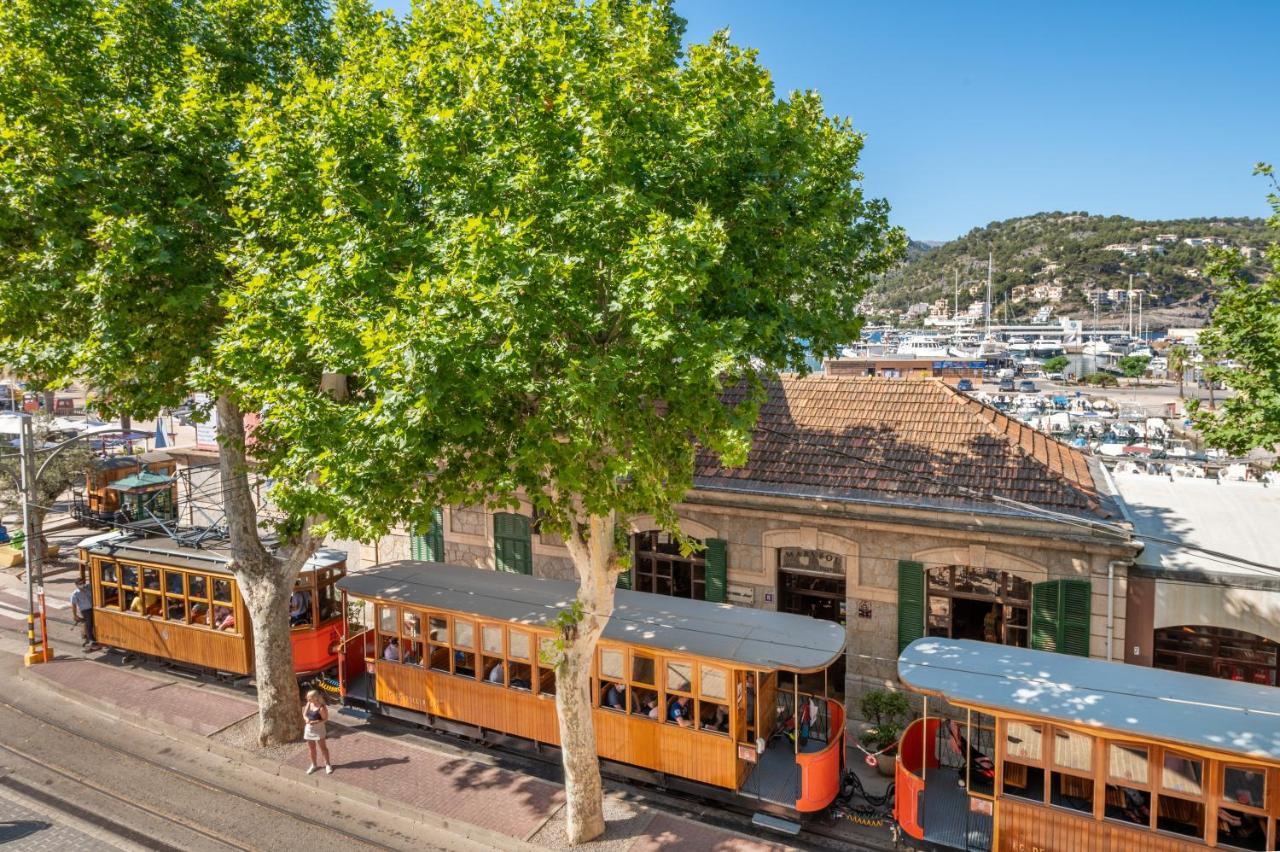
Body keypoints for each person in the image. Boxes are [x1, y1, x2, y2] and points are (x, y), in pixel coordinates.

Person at [302, 689, 333, 775]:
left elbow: (325, 719)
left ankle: (327, 765)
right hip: (309, 729)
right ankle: (314, 765)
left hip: (319, 729)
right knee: (311, 748)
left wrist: (315, 722)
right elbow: (304, 714)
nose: (307, 698)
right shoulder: (309, 703)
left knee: (323, 748)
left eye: (309, 697)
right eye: (307, 696)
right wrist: (306, 719)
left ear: (315, 698)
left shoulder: (321, 707)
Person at [70, 578, 100, 650]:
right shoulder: (75, 594)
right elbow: (73, 605)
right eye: (80, 584)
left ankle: (90, 637)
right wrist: (75, 615)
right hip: (85, 611)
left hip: (92, 608)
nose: (82, 585)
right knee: (89, 624)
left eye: (82, 583)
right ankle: (91, 641)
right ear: (77, 585)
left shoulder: (87, 589)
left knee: (93, 623)